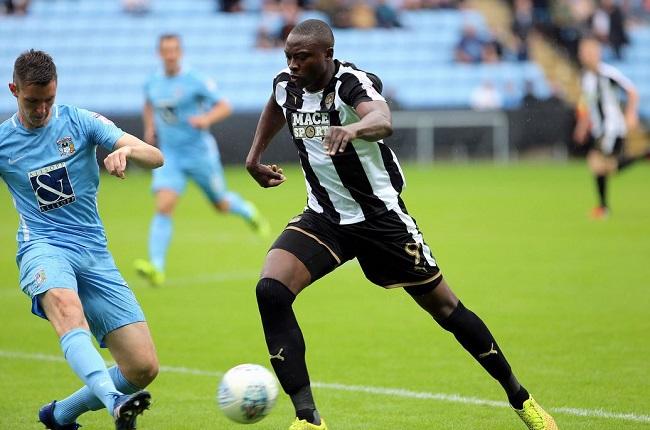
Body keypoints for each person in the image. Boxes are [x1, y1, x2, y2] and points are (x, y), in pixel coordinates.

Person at [245, 19, 558, 430]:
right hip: (325, 216)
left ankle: (521, 398)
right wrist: (254, 156)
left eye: (301, 57)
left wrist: (353, 128)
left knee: (447, 308)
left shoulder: (350, 83)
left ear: (327, 55)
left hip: (380, 220)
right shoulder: (287, 84)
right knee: (271, 289)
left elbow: (382, 118)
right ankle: (308, 419)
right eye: (288, 56)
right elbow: (276, 103)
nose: (292, 64)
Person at [0, 50, 162, 430]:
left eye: (48, 100)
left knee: (142, 366)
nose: (41, 110)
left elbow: (155, 157)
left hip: (94, 252)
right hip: (43, 247)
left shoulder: (81, 121)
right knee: (67, 309)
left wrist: (126, 150)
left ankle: (59, 415)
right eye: (31, 101)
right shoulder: (4, 142)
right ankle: (114, 402)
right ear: (14, 90)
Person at [135, 33, 269, 286]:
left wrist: (206, 119)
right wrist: (149, 128)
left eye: (174, 50)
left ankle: (247, 210)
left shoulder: (194, 80)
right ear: (159, 53)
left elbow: (224, 105)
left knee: (220, 204)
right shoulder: (152, 82)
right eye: (166, 50)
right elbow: (149, 105)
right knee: (163, 206)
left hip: (199, 155)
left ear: (180, 52)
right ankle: (156, 266)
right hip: (170, 156)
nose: (170, 54)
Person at [573, 36, 648, 219]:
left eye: (589, 52)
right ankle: (603, 207)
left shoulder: (607, 73)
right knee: (604, 167)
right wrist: (582, 126)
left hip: (612, 128)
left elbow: (632, 92)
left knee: (597, 163)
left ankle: (603, 208)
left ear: (597, 53)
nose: (585, 55)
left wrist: (631, 114)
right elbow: (587, 104)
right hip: (600, 129)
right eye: (583, 52)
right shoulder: (586, 78)